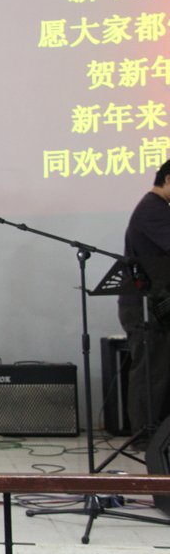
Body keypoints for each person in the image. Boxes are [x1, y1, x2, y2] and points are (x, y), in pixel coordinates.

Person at [118, 159, 170, 450]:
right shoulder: (152, 209)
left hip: (156, 303)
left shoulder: (160, 209)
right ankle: (145, 439)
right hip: (144, 306)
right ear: (168, 179)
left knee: (159, 371)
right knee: (151, 372)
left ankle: (159, 438)